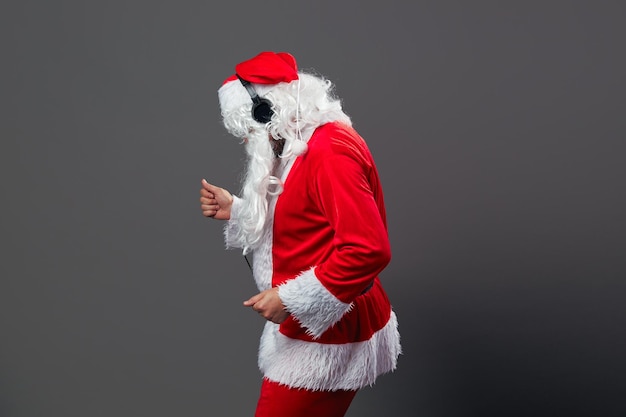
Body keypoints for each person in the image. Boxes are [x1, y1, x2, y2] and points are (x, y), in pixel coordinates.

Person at [199, 51, 401, 417]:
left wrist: (292, 300)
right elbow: (308, 216)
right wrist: (239, 210)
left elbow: (369, 249)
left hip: (331, 328)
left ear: (267, 112)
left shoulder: (328, 151)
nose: (247, 142)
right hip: (314, 324)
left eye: (248, 129)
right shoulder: (299, 144)